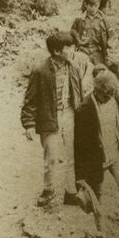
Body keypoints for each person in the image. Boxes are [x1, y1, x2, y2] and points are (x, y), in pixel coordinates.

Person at [21, 31, 84, 208]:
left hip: (69, 115)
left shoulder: (73, 67)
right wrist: (29, 124)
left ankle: (71, 192)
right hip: (49, 118)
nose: (73, 49)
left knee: (71, 155)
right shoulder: (40, 71)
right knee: (52, 158)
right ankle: (48, 190)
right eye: (69, 47)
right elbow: (30, 100)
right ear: (56, 51)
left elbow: (78, 93)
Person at [74, 70, 119, 238]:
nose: (109, 97)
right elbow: (78, 145)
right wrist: (79, 177)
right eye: (106, 94)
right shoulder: (85, 109)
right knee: (97, 199)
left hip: (117, 154)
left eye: (112, 94)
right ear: (98, 90)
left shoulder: (115, 99)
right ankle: (99, 235)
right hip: (97, 160)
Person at [72, 0, 119, 78]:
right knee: (79, 73)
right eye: (91, 6)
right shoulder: (79, 19)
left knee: (106, 72)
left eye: (96, 6)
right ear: (86, 5)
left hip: (98, 51)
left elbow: (112, 37)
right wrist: (77, 42)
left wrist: (110, 52)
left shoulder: (103, 19)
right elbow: (73, 33)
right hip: (83, 51)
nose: (93, 8)